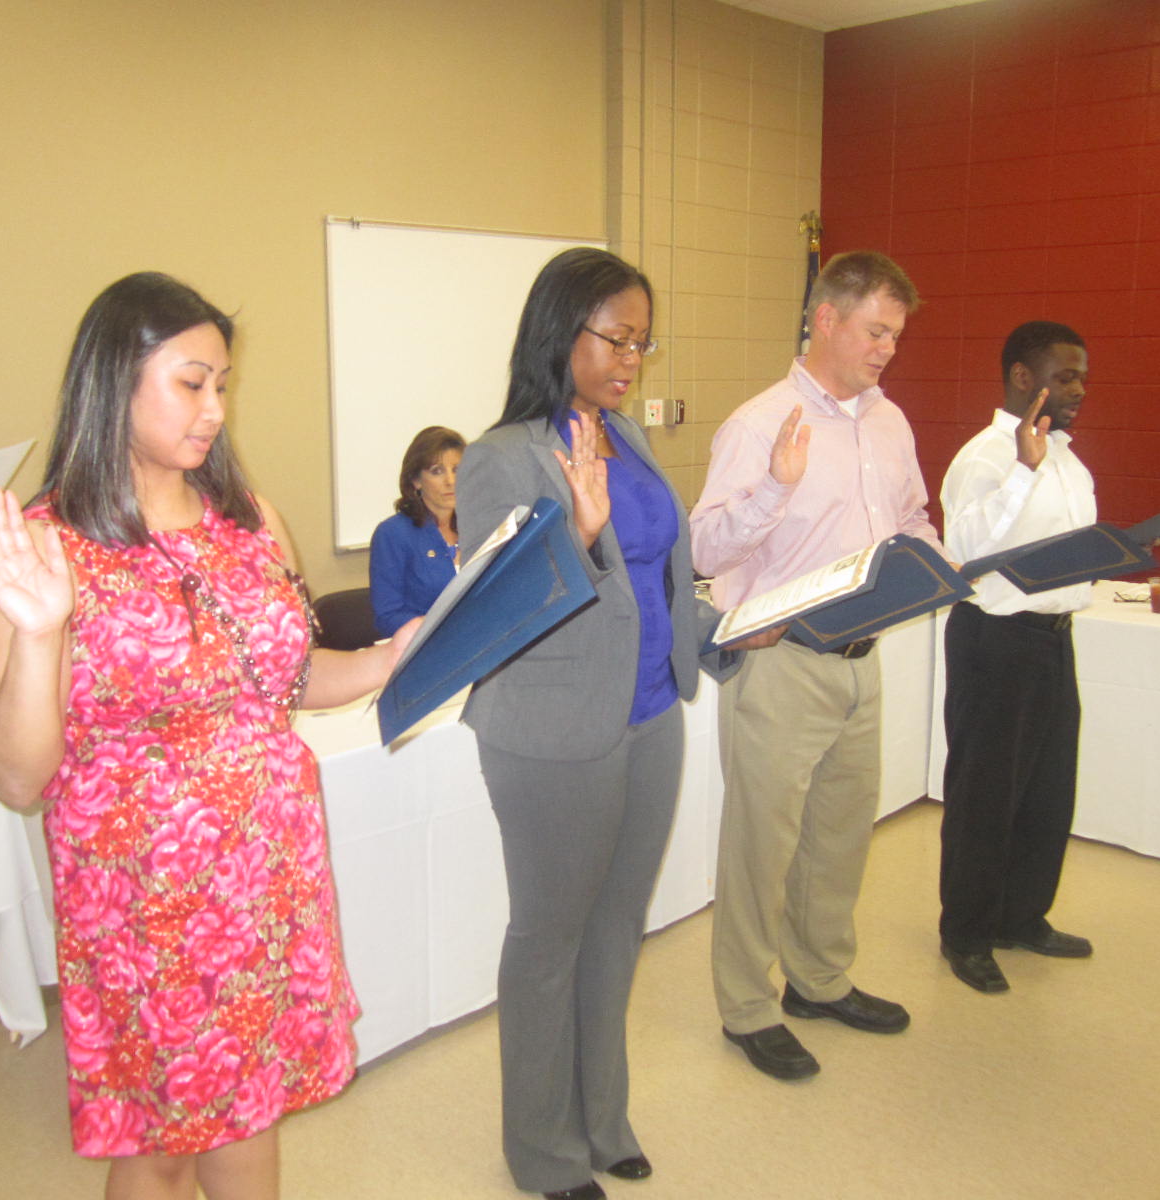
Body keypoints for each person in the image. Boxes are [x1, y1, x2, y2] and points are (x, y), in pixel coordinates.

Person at [0, 272, 415, 1199]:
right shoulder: (44, 550)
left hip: (268, 876)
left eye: (222, 384)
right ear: (112, 382)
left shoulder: (248, 523)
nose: (216, 408)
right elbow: (16, 776)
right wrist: (43, 630)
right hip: (146, 904)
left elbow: (279, 684)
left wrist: (385, 659)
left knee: (250, 1107)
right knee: (162, 1143)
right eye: (191, 382)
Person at [458, 247, 739, 1200]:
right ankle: (541, 1150)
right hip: (551, 729)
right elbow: (495, 615)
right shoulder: (500, 458)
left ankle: (601, 1118)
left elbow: (662, 573)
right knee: (549, 938)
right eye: (616, 337)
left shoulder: (628, 435)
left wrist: (723, 637)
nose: (632, 358)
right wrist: (571, 540)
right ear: (559, 330)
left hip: (651, 713)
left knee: (618, 927)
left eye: (642, 341)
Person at [690, 249, 942, 1081]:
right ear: (825, 318)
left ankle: (819, 980)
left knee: (838, 838)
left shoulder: (888, 421)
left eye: (896, 336)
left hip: (861, 660)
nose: (886, 349)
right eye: (876, 331)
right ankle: (747, 1006)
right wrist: (771, 489)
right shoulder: (760, 424)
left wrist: (933, 559)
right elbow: (704, 546)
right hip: (782, 661)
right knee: (763, 844)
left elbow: (910, 515)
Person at [937, 321, 1097, 994]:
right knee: (985, 795)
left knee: (1045, 789)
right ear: (1023, 378)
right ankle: (967, 935)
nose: (1080, 390)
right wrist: (1022, 473)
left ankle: (1023, 916)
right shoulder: (984, 457)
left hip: (1053, 638)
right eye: (1066, 376)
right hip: (995, 641)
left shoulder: (1067, 457)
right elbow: (969, 551)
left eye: (1083, 377)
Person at [368, 425, 465, 636]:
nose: (450, 481)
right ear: (416, 481)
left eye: (457, 470)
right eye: (437, 471)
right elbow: (388, 616)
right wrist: (442, 631)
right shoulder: (393, 534)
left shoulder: (476, 528)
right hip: (422, 652)